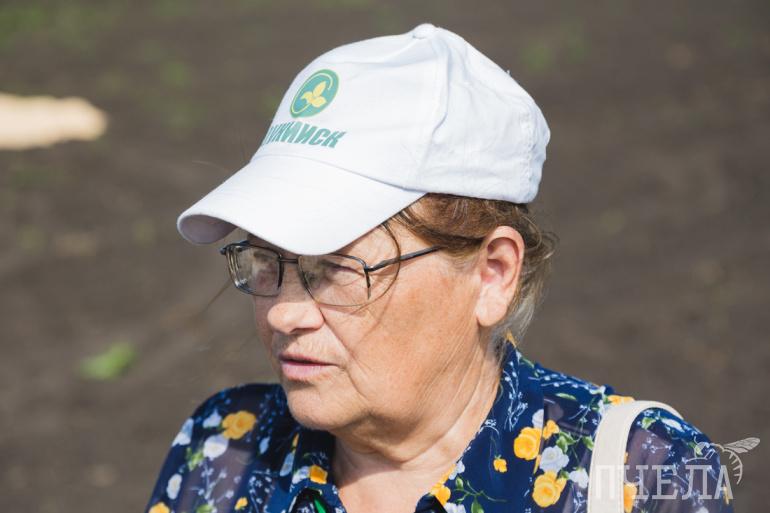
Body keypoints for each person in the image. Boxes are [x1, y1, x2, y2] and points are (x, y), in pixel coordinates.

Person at [144, 23, 733, 513]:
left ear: (492, 274)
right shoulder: (225, 448)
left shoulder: (640, 477)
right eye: (265, 259)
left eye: (337, 268)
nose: (284, 313)